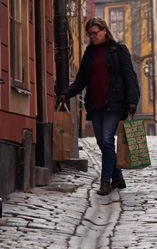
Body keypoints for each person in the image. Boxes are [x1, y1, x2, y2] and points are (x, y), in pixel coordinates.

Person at [58, 17, 140, 196]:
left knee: (106, 139)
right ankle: (117, 177)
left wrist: (132, 101)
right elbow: (80, 81)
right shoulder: (89, 54)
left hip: (114, 103)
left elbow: (130, 76)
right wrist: (66, 93)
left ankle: (105, 182)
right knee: (102, 142)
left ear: (104, 31)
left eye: (95, 33)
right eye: (89, 34)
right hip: (95, 104)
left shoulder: (118, 50)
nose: (93, 37)